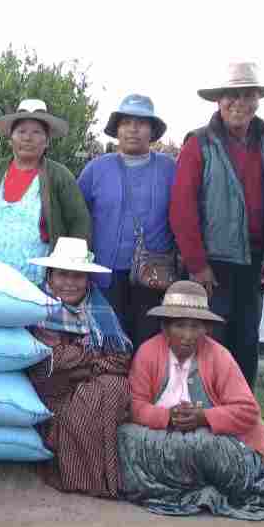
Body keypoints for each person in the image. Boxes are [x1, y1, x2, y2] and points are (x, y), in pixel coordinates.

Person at [117, 281, 264, 519]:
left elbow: (248, 412)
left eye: (195, 327)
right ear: (165, 327)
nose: (188, 336)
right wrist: (167, 417)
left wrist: (203, 418)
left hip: (219, 449)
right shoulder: (148, 352)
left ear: (205, 329)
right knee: (124, 436)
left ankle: (175, 483)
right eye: (179, 326)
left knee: (200, 443)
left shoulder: (220, 356)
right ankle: (188, 483)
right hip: (168, 442)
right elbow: (135, 406)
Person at [169, 61, 264, 389]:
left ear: (257, 100)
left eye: (247, 94)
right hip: (214, 265)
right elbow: (182, 208)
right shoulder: (199, 143)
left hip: (255, 263)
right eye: (231, 95)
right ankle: (204, 409)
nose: (239, 102)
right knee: (210, 338)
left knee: (247, 340)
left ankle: (242, 412)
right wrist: (197, 265)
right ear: (219, 100)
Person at [24, 238, 132, 495]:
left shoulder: (99, 307)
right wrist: (89, 354)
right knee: (89, 399)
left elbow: (121, 358)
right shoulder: (37, 309)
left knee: (115, 385)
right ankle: (85, 480)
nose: (70, 283)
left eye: (78, 276)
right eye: (62, 275)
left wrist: (83, 363)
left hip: (89, 382)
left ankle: (106, 478)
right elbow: (50, 362)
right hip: (54, 392)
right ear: (49, 276)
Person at [0, 99, 91, 287]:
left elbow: (79, 222)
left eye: (36, 132)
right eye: (21, 132)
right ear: (11, 138)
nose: (28, 138)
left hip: (40, 283)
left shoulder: (60, 176)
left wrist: (67, 272)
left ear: (47, 140)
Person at [77, 94, 177, 347]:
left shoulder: (169, 169)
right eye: (126, 122)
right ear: (117, 129)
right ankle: (114, 387)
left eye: (142, 123)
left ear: (152, 131)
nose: (133, 129)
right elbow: (77, 217)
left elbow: (184, 215)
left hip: (154, 276)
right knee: (109, 343)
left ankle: (144, 387)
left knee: (149, 343)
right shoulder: (96, 169)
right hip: (105, 276)